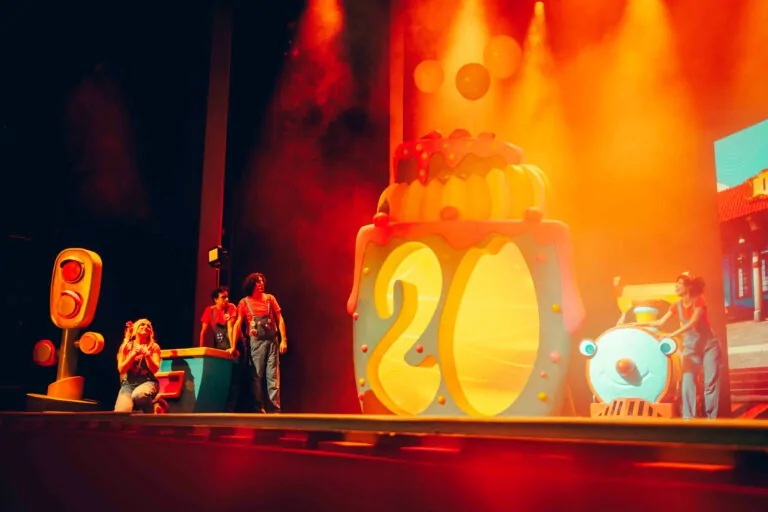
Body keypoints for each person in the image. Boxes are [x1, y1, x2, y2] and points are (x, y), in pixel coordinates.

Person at [637, 273, 723, 419]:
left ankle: (711, 420)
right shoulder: (676, 306)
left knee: (710, 384)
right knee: (687, 381)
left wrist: (673, 334)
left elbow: (693, 322)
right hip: (691, 348)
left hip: (709, 346)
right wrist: (639, 324)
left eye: (679, 284)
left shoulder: (699, 300)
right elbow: (660, 322)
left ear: (688, 287)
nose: (676, 287)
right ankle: (689, 418)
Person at [233, 272, 288, 413]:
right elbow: (238, 323)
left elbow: (280, 318)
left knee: (273, 377)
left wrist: (283, 340)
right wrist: (233, 345)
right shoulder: (244, 302)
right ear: (251, 285)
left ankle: (275, 409)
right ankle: (259, 408)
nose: (261, 284)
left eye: (262, 281)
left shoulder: (270, 299)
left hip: (272, 342)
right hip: (256, 343)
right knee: (256, 376)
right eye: (258, 282)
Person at [199, 287, 242, 412]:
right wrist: (201, 351)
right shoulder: (209, 311)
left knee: (234, 380)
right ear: (215, 299)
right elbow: (203, 332)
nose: (226, 299)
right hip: (220, 347)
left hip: (235, 345)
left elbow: (231, 327)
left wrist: (233, 347)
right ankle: (219, 408)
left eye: (227, 297)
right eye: (223, 297)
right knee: (222, 378)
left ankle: (230, 410)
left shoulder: (231, 307)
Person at [114, 319, 162, 413]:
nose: (146, 327)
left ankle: (151, 409)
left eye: (148, 326)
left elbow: (155, 369)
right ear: (135, 328)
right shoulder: (125, 346)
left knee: (139, 395)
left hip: (148, 382)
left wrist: (147, 355)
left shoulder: (154, 347)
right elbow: (121, 369)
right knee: (121, 413)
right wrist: (133, 354)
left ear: (150, 332)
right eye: (142, 324)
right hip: (128, 384)